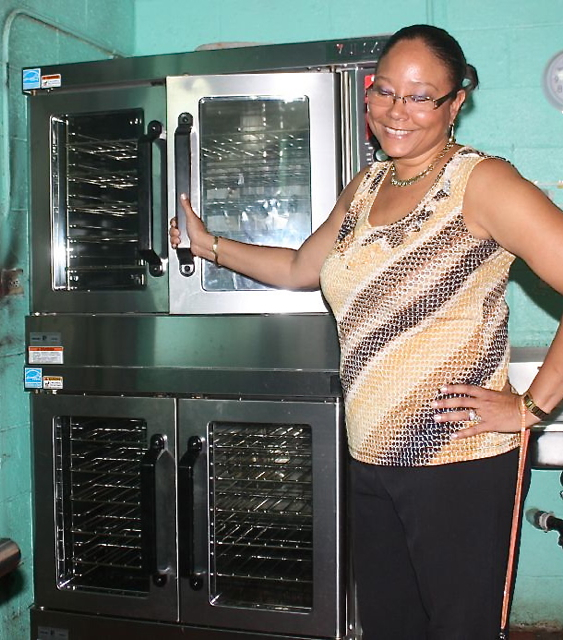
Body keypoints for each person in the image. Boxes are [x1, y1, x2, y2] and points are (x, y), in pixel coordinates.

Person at [170, 24, 563, 640]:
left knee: (460, 629)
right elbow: (302, 267)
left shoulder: (481, 183)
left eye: (420, 96)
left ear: (456, 101)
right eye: (384, 91)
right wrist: (209, 245)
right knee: (390, 626)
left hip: (457, 462)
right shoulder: (367, 186)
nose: (395, 111)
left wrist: (532, 405)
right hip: (369, 456)